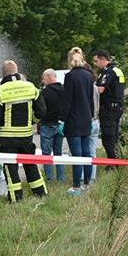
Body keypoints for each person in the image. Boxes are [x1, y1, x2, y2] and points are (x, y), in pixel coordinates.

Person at [0, 60, 47, 203]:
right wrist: (32, 122)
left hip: (7, 137)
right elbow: (41, 111)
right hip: (26, 135)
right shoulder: (30, 87)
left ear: (3, 74)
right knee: (30, 163)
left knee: (10, 168)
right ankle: (40, 194)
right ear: (17, 71)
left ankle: (16, 199)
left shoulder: (0, 90)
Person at [60, 47, 94, 196]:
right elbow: (90, 98)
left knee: (77, 154)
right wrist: (91, 116)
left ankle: (76, 186)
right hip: (86, 118)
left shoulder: (70, 76)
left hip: (73, 119)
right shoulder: (88, 75)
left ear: (70, 60)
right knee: (86, 153)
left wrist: (62, 120)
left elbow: (67, 101)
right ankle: (87, 183)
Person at [93, 49, 125, 162]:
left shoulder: (108, 71)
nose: (95, 64)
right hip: (117, 106)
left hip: (109, 109)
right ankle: (118, 160)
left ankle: (113, 163)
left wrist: (86, 88)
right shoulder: (117, 70)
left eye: (96, 61)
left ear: (103, 59)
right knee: (114, 136)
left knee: (108, 137)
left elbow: (100, 89)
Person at [39, 69, 65, 182]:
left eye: (43, 78)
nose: (42, 80)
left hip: (47, 125)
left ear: (48, 77)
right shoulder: (64, 90)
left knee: (46, 153)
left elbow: (41, 109)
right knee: (58, 152)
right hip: (60, 125)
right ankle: (61, 178)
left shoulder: (45, 93)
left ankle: (50, 178)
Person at [84, 62, 100, 181]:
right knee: (92, 151)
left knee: (84, 151)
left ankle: (84, 177)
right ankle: (92, 177)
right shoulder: (94, 86)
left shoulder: (86, 87)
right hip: (95, 121)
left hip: (87, 121)